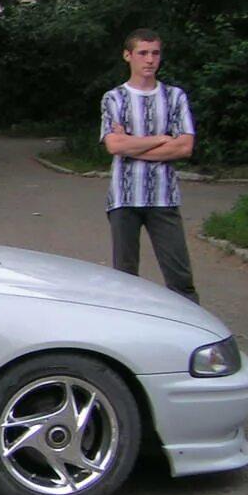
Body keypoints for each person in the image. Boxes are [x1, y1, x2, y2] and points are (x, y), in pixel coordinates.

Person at [100, 28, 199, 303]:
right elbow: (114, 146)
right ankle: (126, 327)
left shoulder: (174, 97)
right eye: (142, 53)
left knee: (180, 278)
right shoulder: (114, 98)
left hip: (163, 197)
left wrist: (132, 144)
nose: (149, 59)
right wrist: (161, 138)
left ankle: (190, 326)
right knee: (124, 279)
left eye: (155, 53)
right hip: (124, 198)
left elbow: (184, 147)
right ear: (127, 55)